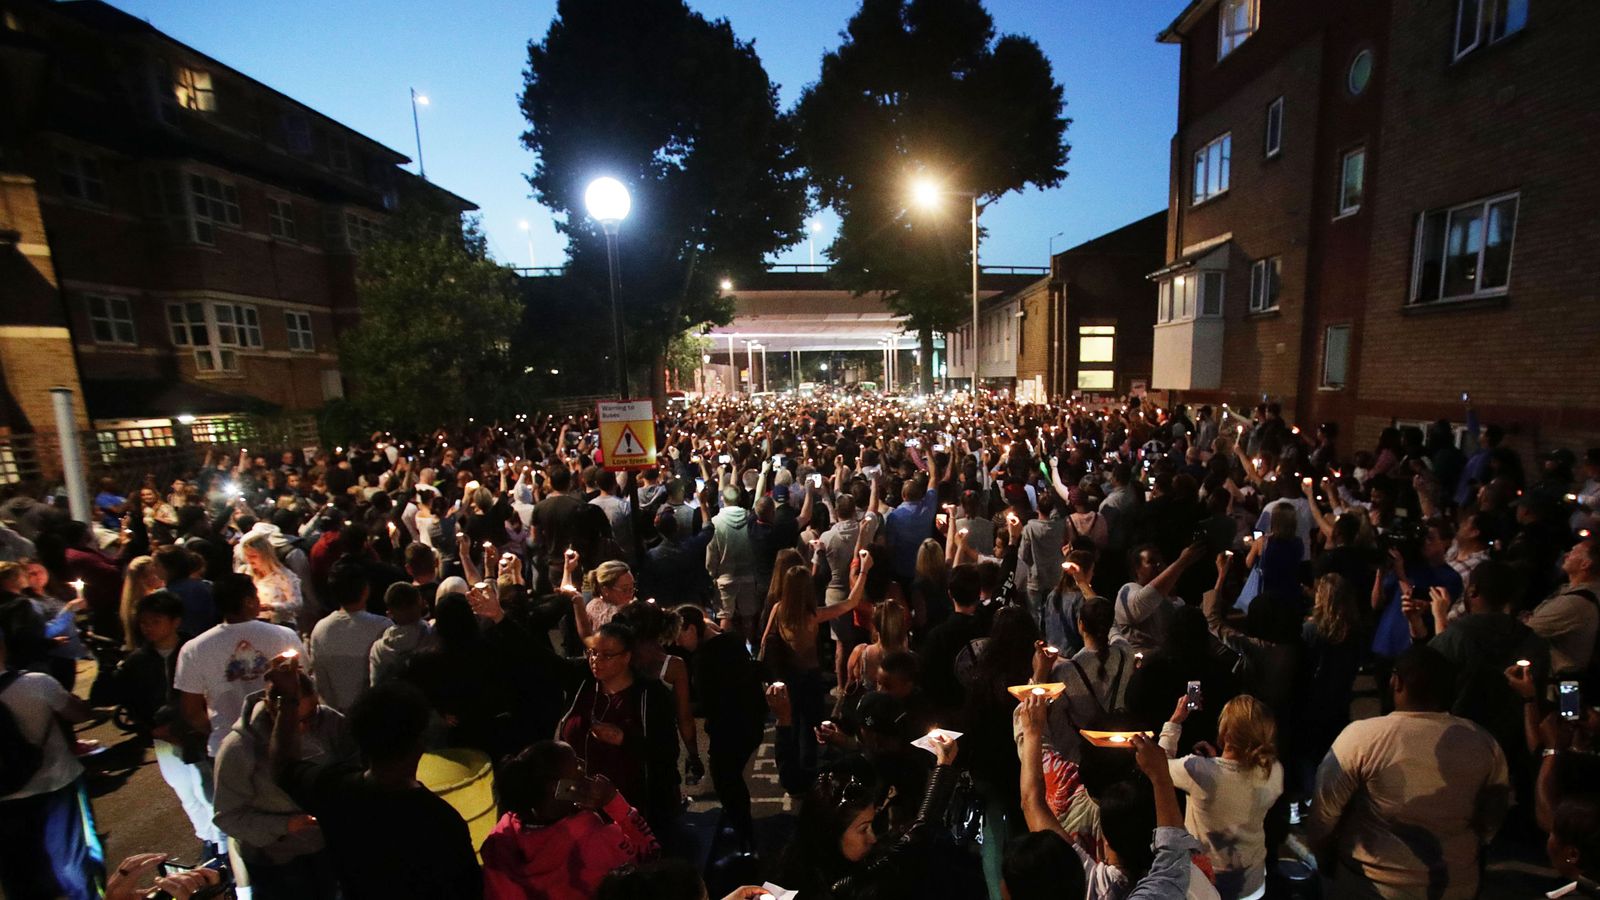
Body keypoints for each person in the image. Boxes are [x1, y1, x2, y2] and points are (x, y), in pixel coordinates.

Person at [1308, 644, 1511, 898]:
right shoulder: (1483, 742)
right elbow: (1492, 818)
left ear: (1396, 682)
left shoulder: (1362, 738)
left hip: (1372, 885)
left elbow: (1323, 814)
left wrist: (1324, 855)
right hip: (1454, 883)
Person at [267, 664, 483, 899]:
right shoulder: (441, 821)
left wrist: (288, 699)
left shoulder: (335, 790)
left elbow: (283, 766)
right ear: (420, 743)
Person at [174, 571, 304, 827]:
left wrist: (225, 730)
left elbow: (191, 710)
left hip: (227, 745)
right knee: (292, 812)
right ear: (248, 601)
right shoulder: (282, 635)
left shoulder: (195, 649)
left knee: (243, 819)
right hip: (283, 738)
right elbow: (304, 684)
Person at [213, 668, 353, 899]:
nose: (303, 728)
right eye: (294, 719)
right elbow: (227, 816)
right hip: (275, 862)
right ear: (272, 708)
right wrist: (286, 825)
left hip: (328, 848)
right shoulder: (239, 748)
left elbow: (353, 760)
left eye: (310, 717)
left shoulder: (329, 722)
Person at [771, 731, 959, 900]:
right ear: (830, 833)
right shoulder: (842, 887)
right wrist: (943, 767)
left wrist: (943, 766)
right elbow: (916, 838)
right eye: (863, 829)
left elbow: (913, 837)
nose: (872, 838)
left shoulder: (805, 859)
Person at [112, 590, 222, 854]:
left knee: (208, 788)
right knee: (184, 789)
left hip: (197, 732)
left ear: (175, 621)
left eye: (155, 621)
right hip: (163, 736)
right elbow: (132, 704)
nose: (148, 628)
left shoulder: (196, 650)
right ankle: (207, 836)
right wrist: (151, 728)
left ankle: (223, 843)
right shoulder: (136, 662)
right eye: (144, 622)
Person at [481, 740, 660, 900]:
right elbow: (650, 855)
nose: (583, 768)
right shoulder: (598, 842)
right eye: (577, 765)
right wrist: (614, 803)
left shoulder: (500, 839)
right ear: (559, 789)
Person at [0, 627, 100, 900]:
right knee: (76, 862)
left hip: (5, 801)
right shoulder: (36, 683)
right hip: (57, 784)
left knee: (22, 875)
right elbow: (78, 714)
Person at [555, 621, 681, 829]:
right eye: (593, 653)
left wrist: (624, 739)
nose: (596, 660)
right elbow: (541, 660)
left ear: (626, 657)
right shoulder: (583, 686)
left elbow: (667, 752)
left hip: (631, 808)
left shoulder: (650, 695)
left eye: (607, 655)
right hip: (580, 807)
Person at [1159, 693, 1284, 900]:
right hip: (1251, 883)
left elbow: (1158, 765)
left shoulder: (1199, 771)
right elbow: (1235, 785)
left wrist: (1174, 722)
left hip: (1206, 884)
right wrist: (1216, 762)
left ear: (1226, 732)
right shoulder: (1274, 771)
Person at [760, 561, 864, 793]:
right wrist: (864, 569)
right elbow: (851, 603)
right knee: (811, 727)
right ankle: (809, 777)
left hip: (788, 677)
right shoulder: (812, 616)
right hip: (810, 678)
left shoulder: (778, 609)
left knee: (790, 724)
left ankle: (791, 775)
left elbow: (766, 640)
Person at [675, 606, 766, 849]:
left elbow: (708, 702)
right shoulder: (731, 641)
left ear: (692, 629)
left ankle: (744, 834)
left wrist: (682, 705)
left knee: (727, 780)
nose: (678, 644)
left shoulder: (705, 658)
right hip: (750, 720)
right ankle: (743, 829)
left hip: (730, 728)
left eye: (679, 636)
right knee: (731, 778)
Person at [307, 557, 392, 714]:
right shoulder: (383, 627)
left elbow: (321, 683)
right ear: (366, 590)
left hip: (338, 715)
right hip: (377, 712)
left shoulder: (320, 630)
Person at [1525, 536, 1600, 676]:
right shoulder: (1577, 592)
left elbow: (1527, 630)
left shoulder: (1575, 603)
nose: (1566, 555)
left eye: (1573, 552)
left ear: (1585, 564)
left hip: (1564, 683)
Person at [706, 485, 759, 639]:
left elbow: (712, 553)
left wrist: (711, 573)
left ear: (723, 499)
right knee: (748, 617)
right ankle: (749, 652)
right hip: (749, 576)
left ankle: (727, 652)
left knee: (725, 617)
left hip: (725, 577)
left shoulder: (715, 522)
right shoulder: (750, 518)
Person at [368, 582, 435, 687]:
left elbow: (376, 687)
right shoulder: (434, 637)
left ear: (389, 614)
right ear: (422, 604)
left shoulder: (379, 650)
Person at [242, 532, 305, 628]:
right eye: (247, 556)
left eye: (253, 556)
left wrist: (272, 607)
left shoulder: (284, 576)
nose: (250, 560)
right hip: (255, 626)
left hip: (281, 625)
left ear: (265, 555)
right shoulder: (245, 573)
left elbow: (297, 604)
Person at [155, 545, 217, 639]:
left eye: (156, 565)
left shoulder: (162, 597)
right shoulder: (208, 586)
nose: (153, 568)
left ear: (168, 568)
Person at [118, 554, 167, 651]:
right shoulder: (148, 604)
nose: (160, 576)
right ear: (142, 579)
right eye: (155, 573)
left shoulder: (131, 604)